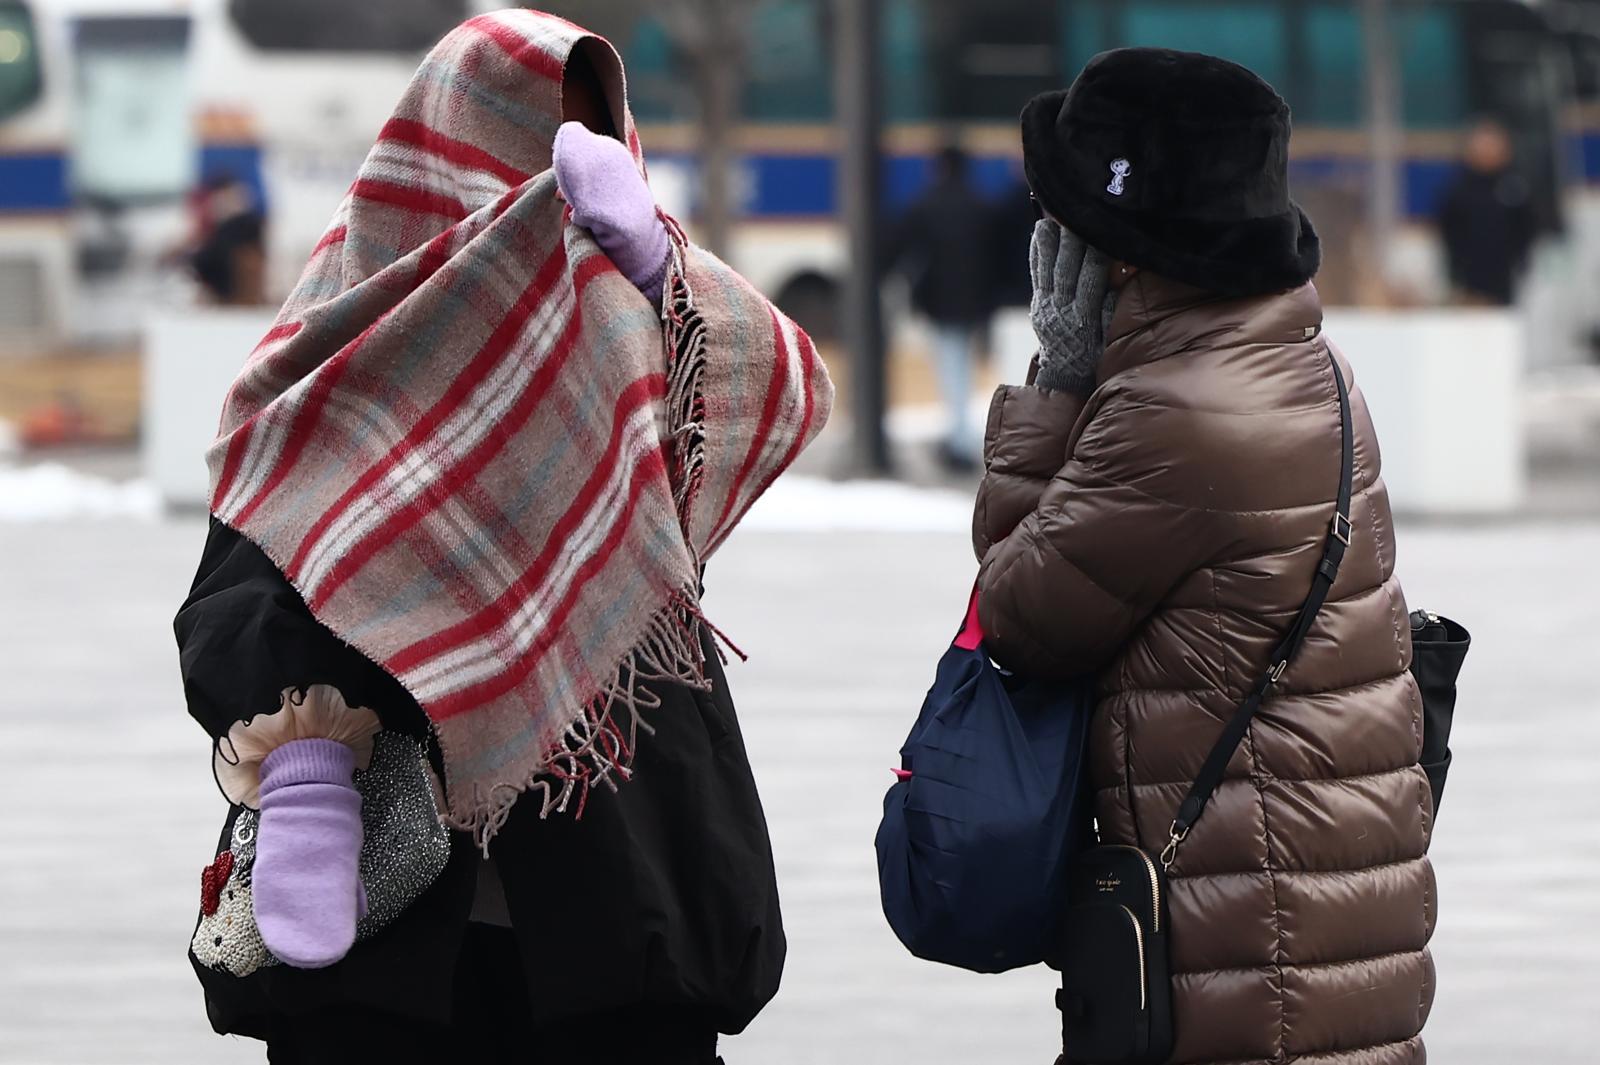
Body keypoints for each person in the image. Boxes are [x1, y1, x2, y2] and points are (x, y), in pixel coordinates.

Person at [173, 10, 832, 1063]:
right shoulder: (331, 343)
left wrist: (662, 272)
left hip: (613, 905)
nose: (545, 203)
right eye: (525, 155)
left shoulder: (630, 312)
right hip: (386, 929)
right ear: (440, 153)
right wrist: (304, 746)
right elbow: (232, 599)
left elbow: (777, 399)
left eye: (580, 159)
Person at [974, 50, 1435, 1065]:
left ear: (1117, 253)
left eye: (1064, 220)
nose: (1047, 239)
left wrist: (1055, 382)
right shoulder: (1297, 359)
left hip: (1239, 937)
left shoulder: (1171, 410)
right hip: (1314, 906)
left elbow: (1017, 615)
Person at [884, 144, 995, 471]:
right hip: (975, 302)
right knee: (964, 367)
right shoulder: (980, 205)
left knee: (950, 366)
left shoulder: (926, 203)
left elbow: (902, 246)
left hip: (940, 303)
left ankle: (959, 439)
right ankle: (962, 435)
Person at [1437, 118, 1538, 306]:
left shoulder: (1515, 185)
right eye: (1482, 145)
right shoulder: (1458, 188)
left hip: (1508, 276)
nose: (1487, 150)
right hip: (1468, 277)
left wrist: (1522, 261)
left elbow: (1527, 227)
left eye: (1493, 145)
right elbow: (1448, 229)